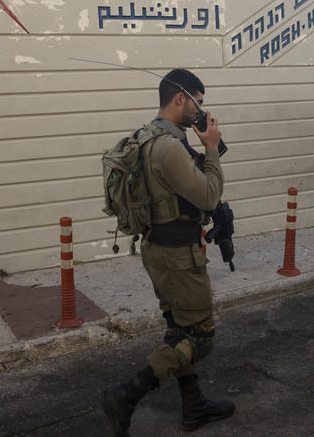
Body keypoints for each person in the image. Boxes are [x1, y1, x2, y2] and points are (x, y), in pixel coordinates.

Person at [100, 69, 235, 436]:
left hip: (160, 248)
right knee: (200, 337)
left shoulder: (149, 137)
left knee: (179, 329)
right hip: (178, 255)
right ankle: (126, 395)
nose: (200, 110)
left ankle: (193, 406)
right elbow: (208, 195)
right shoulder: (168, 147)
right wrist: (210, 148)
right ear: (180, 98)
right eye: (198, 102)